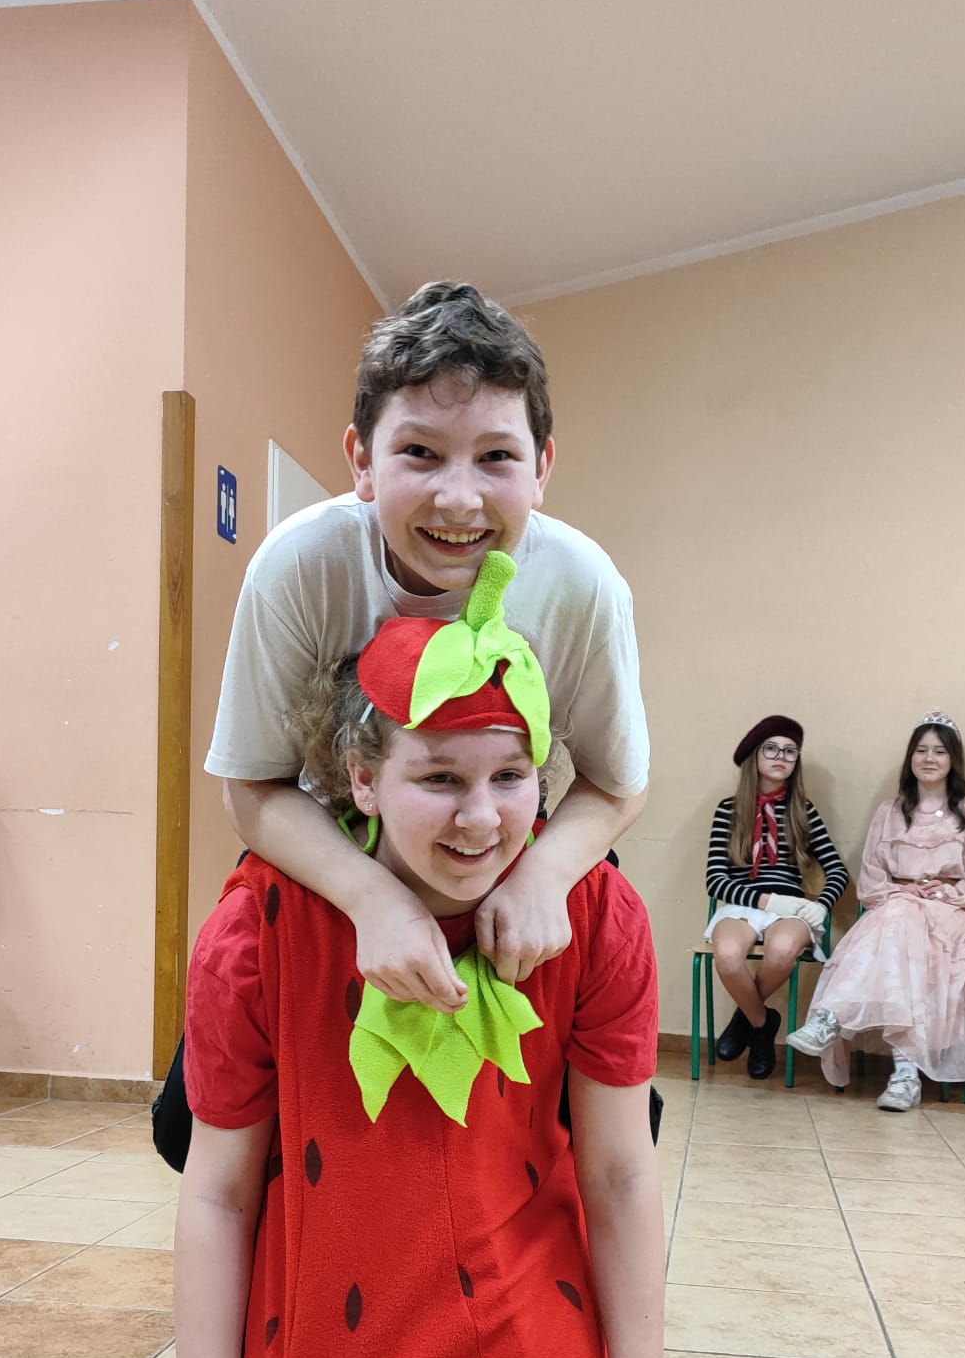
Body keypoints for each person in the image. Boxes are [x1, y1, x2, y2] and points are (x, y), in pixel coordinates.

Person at [91, 560, 760, 1358]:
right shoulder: (257, 927)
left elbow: (621, 1176)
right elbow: (218, 1195)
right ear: (361, 779)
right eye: (439, 779)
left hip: (523, 1347)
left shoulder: (600, 917)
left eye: (511, 776)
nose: (482, 819)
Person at [206, 280, 649, 1015]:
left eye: (496, 456)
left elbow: (618, 781)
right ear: (362, 460)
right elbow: (252, 784)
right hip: (332, 855)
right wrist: (371, 897)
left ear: (541, 469)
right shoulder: (299, 565)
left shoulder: (583, 584)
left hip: (505, 849)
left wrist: (544, 875)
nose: (459, 500)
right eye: (420, 452)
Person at [787, 713, 965, 1112]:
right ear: (909, 758)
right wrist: (903, 892)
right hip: (896, 908)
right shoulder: (890, 811)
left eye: (939, 751)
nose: (929, 759)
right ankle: (904, 1076)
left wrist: (946, 891)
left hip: (949, 913)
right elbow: (870, 882)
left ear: (953, 759)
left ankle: (832, 1016)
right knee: (897, 923)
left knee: (895, 922)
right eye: (921, 750)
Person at [704, 716, 849, 1078]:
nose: (780, 757)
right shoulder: (729, 810)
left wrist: (820, 905)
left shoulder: (804, 812)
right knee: (727, 956)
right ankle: (762, 1023)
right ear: (754, 755)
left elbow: (838, 870)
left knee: (783, 949)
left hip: (792, 909)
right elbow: (715, 881)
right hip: (745, 905)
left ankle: (745, 1019)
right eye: (771, 749)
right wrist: (768, 902)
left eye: (790, 751)